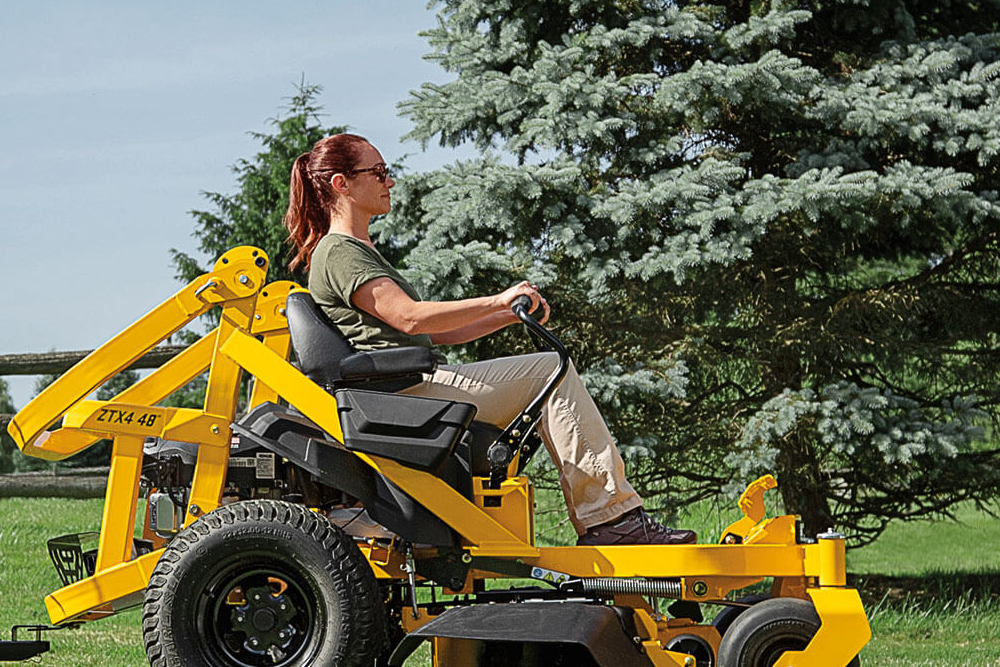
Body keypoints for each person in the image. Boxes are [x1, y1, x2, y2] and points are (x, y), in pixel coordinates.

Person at [284, 133, 695, 546]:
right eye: (377, 172)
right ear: (341, 183)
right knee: (551, 370)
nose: (389, 181)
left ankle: (611, 519)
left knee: (545, 371)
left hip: (410, 388)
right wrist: (498, 298)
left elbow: (437, 330)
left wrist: (504, 314)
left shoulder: (354, 249)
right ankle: (611, 521)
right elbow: (409, 317)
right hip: (405, 395)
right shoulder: (339, 251)